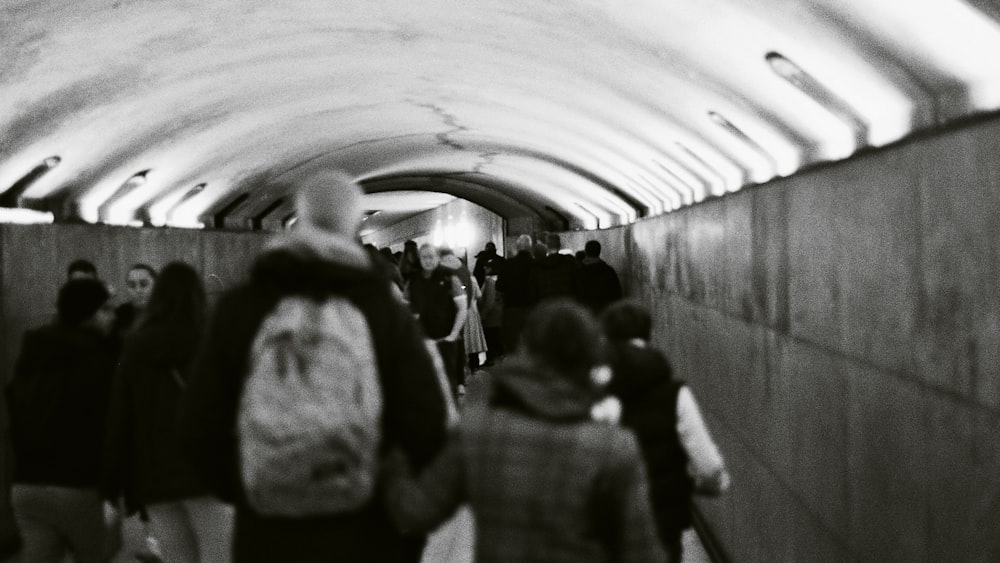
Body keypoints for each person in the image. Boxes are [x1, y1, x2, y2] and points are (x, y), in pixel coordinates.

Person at [179, 171, 449, 563]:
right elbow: (428, 427)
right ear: (354, 225)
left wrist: (251, 485)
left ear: (298, 220)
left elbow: (195, 427)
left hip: (268, 534)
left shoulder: (241, 309)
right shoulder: (384, 313)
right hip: (367, 530)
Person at [383, 299, 667, 563]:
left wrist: (393, 455)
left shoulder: (478, 430)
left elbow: (413, 512)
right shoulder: (614, 447)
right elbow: (643, 554)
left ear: (525, 349)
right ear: (590, 359)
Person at [102, 261, 233, 563]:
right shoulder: (211, 341)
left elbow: (119, 419)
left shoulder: (133, 347)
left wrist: (111, 485)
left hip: (155, 479)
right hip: (206, 476)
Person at [600, 301, 730, 563]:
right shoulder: (674, 394)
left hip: (606, 524)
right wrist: (704, 486)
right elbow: (708, 467)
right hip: (660, 523)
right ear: (648, 335)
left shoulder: (587, 389)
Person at [6, 278, 119, 563]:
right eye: (105, 309)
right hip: (78, 486)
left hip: (26, 485)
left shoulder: (31, 355)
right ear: (88, 313)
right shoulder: (97, 361)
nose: (113, 316)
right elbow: (109, 428)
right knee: (99, 552)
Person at [405, 244, 468, 399]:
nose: (428, 260)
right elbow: (405, 307)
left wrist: (453, 335)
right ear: (419, 259)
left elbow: (462, 308)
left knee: (448, 382)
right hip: (422, 342)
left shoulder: (449, 278)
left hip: (445, 339)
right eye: (424, 257)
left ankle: (452, 418)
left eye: (431, 256)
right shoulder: (413, 280)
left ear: (438, 258)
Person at [495, 234, 535, 354]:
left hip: (512, 309)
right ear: (530, 248)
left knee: (513, 346)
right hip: (532, 309)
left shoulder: (508, 264)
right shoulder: (536, 264)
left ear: (517, 247)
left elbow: (499, 286)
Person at [574, 239, 623, 314]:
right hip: (604, 312)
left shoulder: (579, 272)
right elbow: (617, 294)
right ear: (599, 252)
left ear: (586, 252)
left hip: (585, 313)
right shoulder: (608, 271)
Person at [529, 233, 579, 303]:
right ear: (559, 245)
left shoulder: (538, 267)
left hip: (545, 305)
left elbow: (534, 291)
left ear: (547, 246)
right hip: (565, 304)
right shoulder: (570, 264)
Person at [114, 263, 157, 336]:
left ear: (156, 285)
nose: (138, 290)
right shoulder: (120, 314)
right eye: (132, 285)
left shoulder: (167, 313)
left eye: (144, 284)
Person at [478, 258, 504, 367]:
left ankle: (490, 360)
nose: (484, 269)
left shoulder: (489, 282)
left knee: (490, 339)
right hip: (499, 314)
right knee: (497, 339)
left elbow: (489, 301)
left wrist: (483, 315)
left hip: (491, 317)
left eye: (486, 267)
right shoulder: (500, 280)